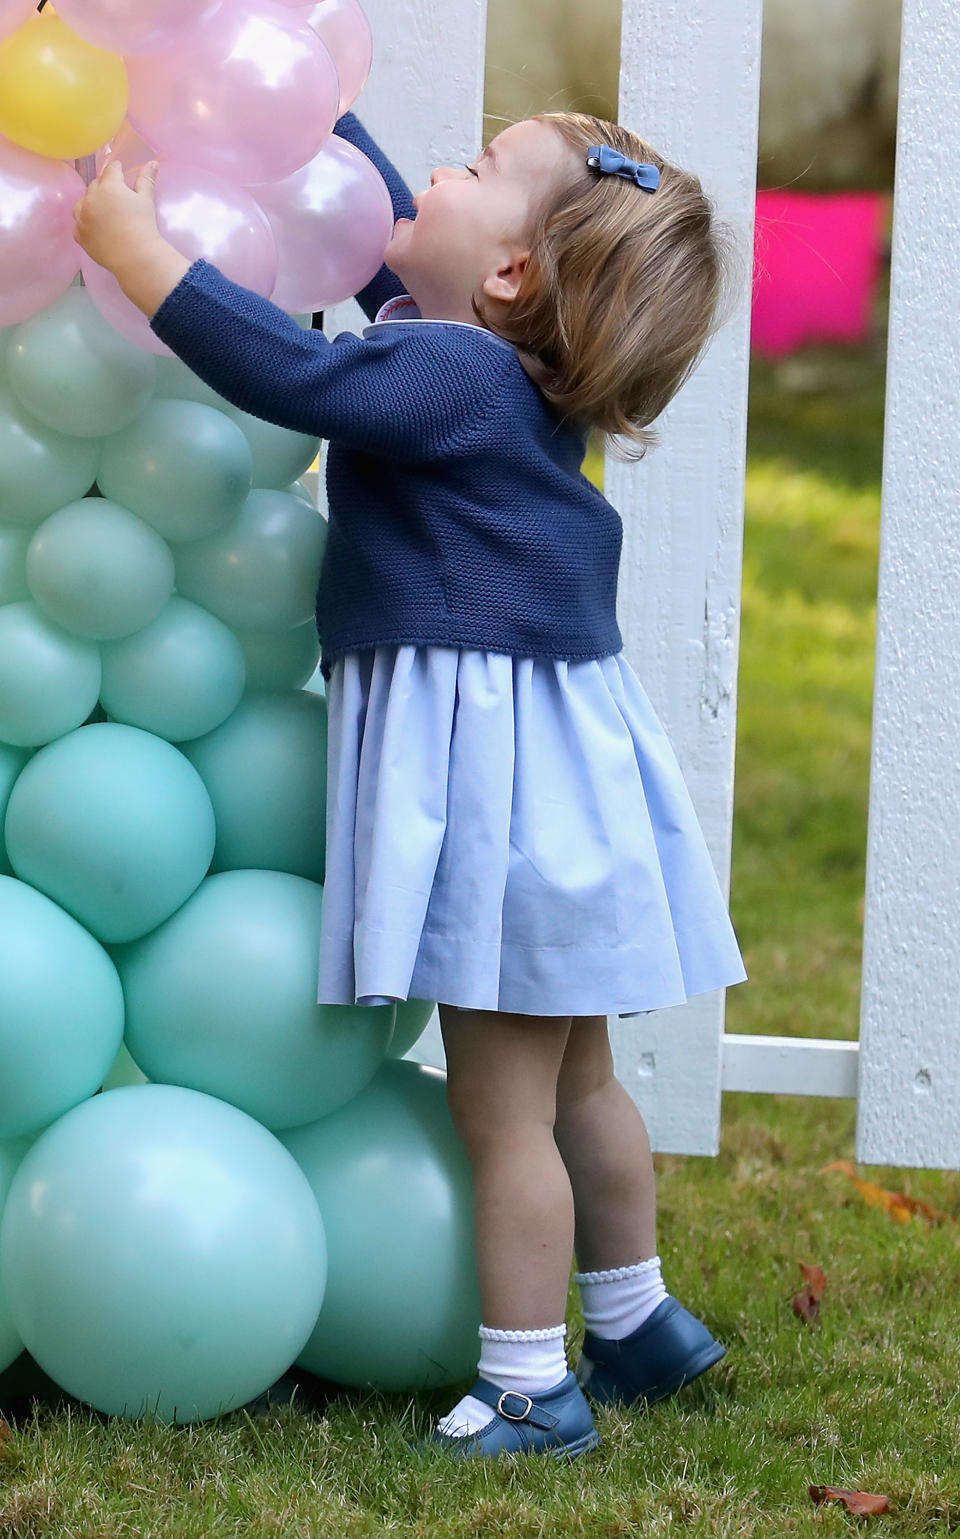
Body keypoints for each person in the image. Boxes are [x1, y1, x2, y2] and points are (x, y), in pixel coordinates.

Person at [73, 107, 748, 1461]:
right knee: (581, 1086)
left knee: (500, 1111)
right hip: (565, 786)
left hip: (503, 801)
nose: (440, 170)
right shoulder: (486, 369)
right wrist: (318, 113)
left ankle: (527, 1387)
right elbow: (385, 241)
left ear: (506, 279)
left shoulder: (441, 377)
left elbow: (296, 379)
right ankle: (639, 1322)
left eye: (477, 169)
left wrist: (147, 260)